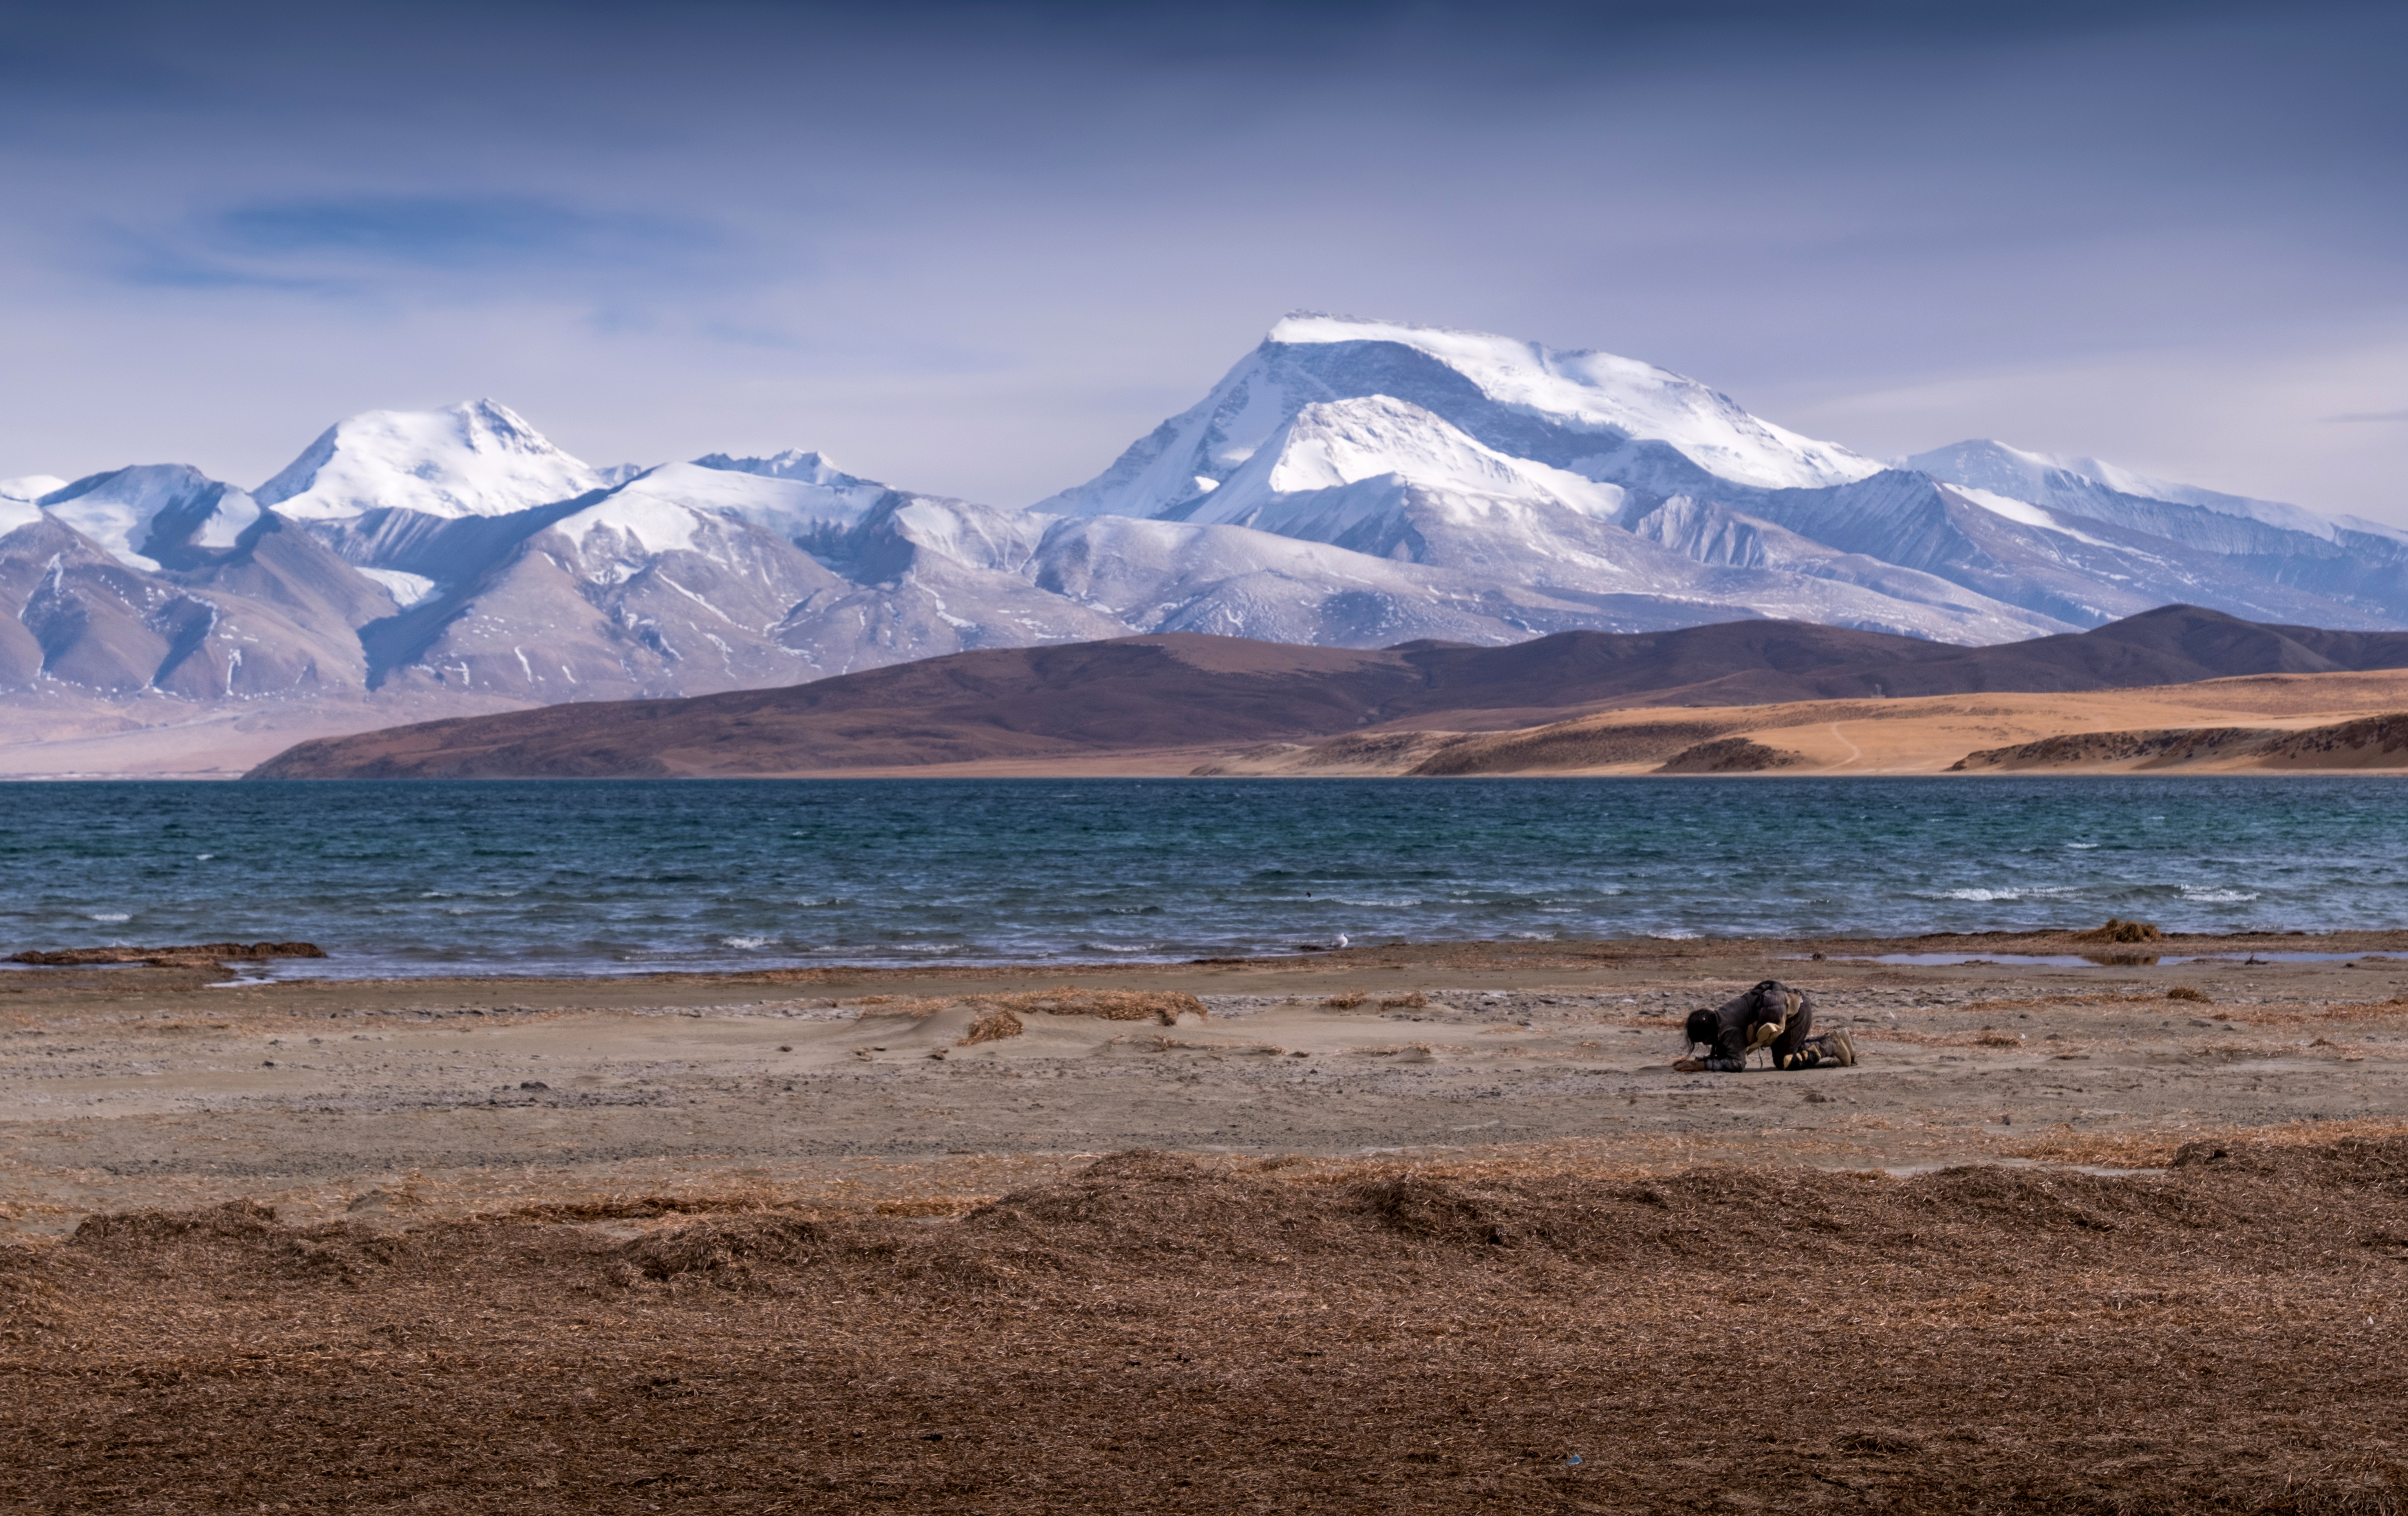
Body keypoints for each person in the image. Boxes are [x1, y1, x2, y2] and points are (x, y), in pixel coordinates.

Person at [1673, 979, 1855, 1072]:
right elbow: (1727, 1053)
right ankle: (1836, 1040)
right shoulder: (1720, 1016)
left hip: (1796, 1011)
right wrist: (1702, 1061)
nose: (1706, 1044)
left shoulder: (1728, 1030)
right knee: (1790, 1050)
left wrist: (1705, 1066)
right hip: (1795, 1004)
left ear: (1709, 1034)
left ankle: (1830, 1044)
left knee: (1785, 1062)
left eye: (1705, 1040)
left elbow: (1737, 1063)